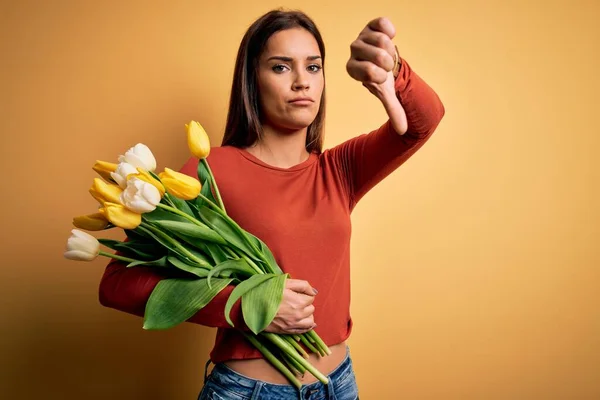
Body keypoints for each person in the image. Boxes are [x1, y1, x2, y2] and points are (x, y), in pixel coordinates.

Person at [98, 8, 444, 400]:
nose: (302, 82)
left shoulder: (339, 170)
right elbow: (117, 284)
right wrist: (250, 304)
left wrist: (390, 67)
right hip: (249, 392)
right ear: (252, 81)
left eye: (313, 67)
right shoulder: (209, 171)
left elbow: (424, 121)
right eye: (281, 68)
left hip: (339, 385)